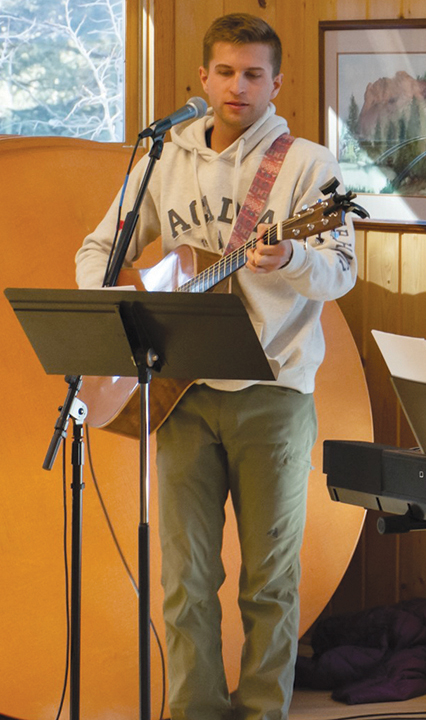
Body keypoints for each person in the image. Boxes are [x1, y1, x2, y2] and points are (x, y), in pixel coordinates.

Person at [74, 14, 356, 720]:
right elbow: (97, 249)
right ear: (203, 78)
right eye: (225, 72)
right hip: (181, 391)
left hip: (273, 391)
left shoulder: (307, 165)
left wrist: (291, 256)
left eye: (254, 74)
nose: (238, 86)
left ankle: (262, 712)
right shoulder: (164, 158)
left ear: (276, 82)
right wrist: (116, 310)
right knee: (185, 578)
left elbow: (341, 272)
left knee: (269, 581)